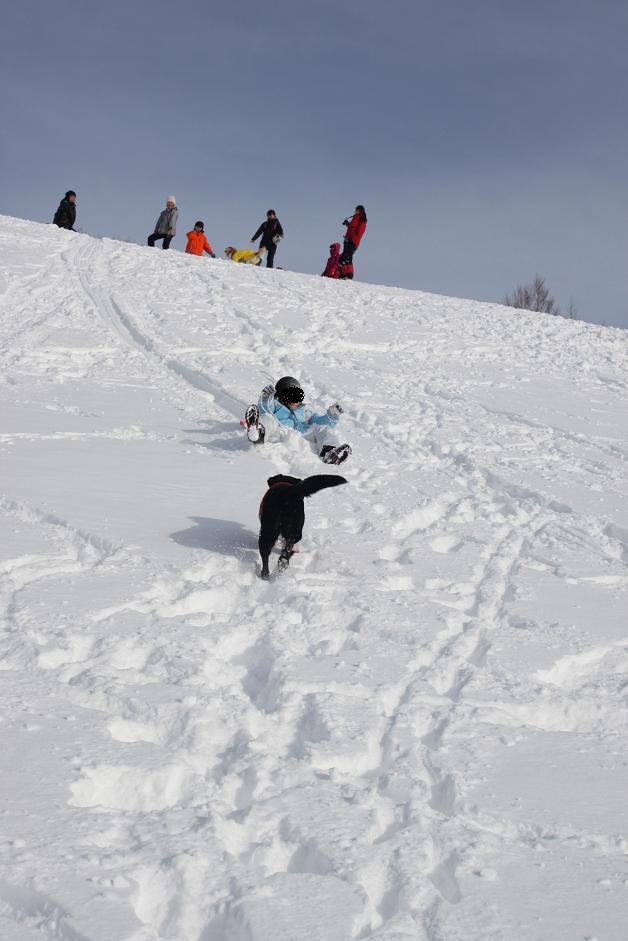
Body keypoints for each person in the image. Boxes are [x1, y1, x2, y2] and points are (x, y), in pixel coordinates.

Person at [244, 376, 351, 465]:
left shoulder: (304, 410)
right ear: (282, 396)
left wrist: (331, 415)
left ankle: (330, 452)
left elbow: (319, 422)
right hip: (281, 430)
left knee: (322, 428)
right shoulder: (275, 404)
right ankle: (258, 432)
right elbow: (265, 410)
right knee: (268, 419)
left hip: (303, 434)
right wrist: (266, 398)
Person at [339, 205, 367, 280]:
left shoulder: (357, 217)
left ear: (358, 210)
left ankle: (345, 275)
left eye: (355, 210)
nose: (354, 212)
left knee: (345, 258)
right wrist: (348, 224)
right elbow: (355, 228)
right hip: (356, 241)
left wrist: (347, 238)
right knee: (347, 257)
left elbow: (352, 227)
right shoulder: (363, 219)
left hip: (351, 240)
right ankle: (347, 275)